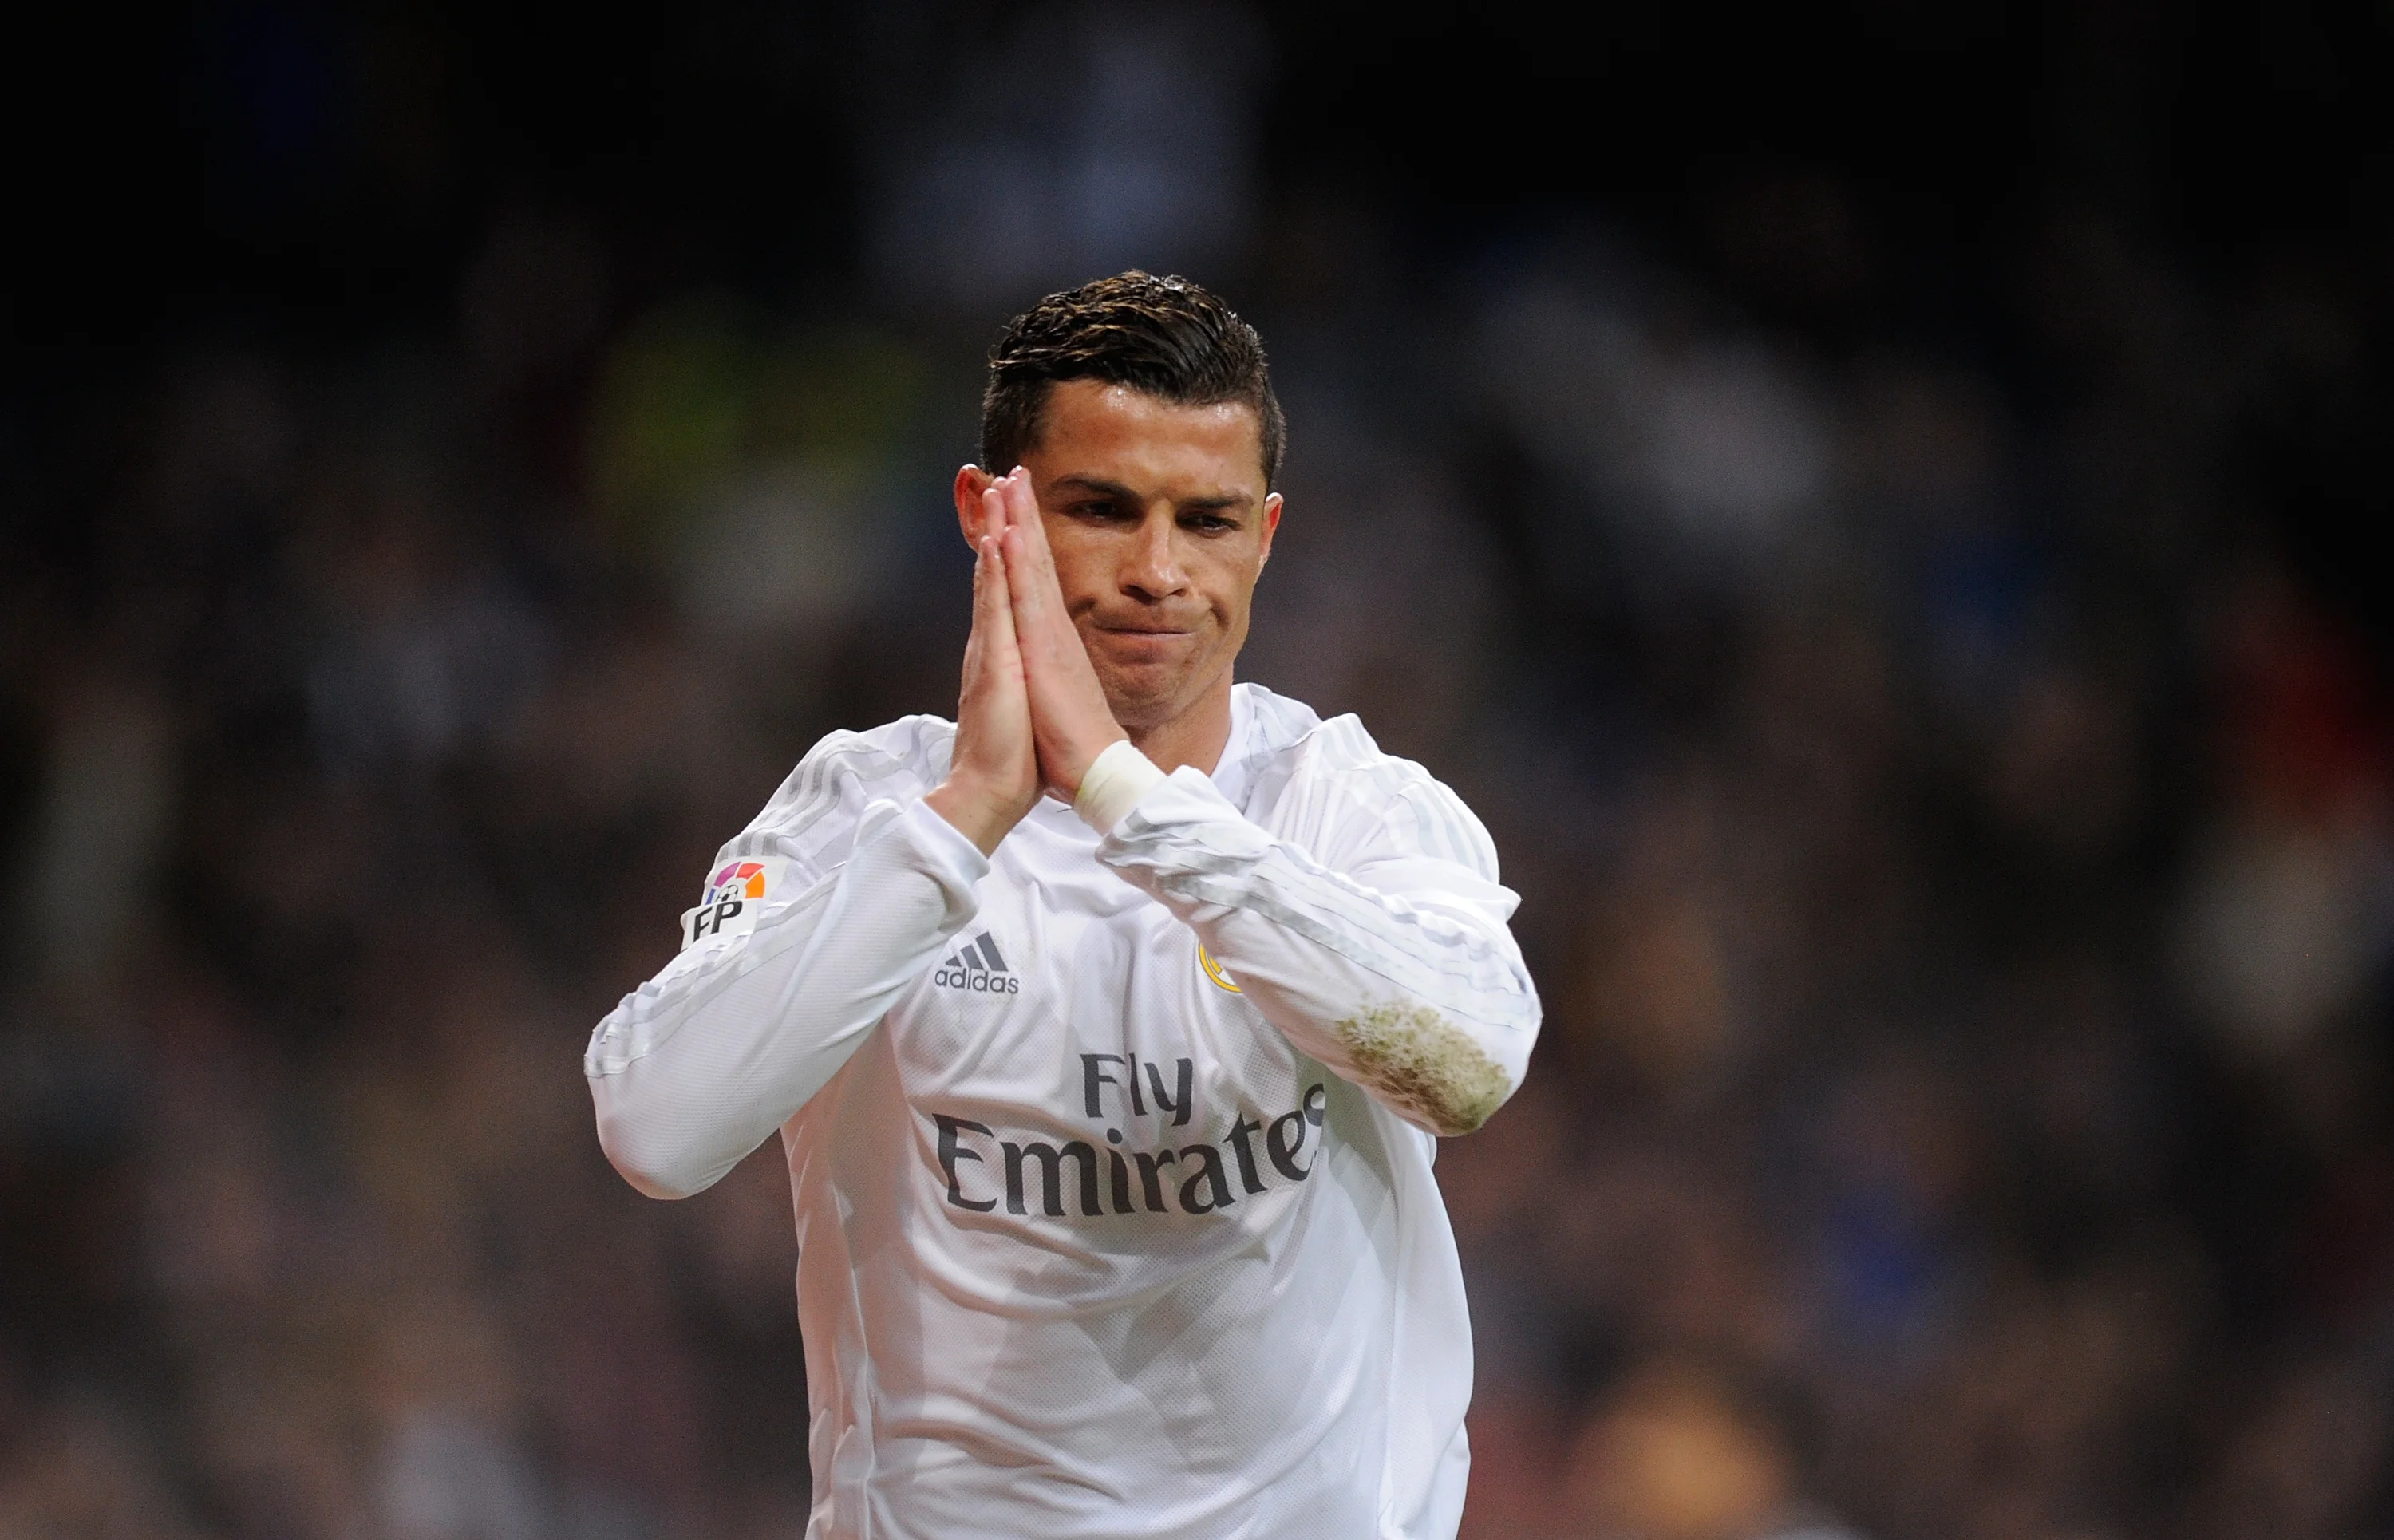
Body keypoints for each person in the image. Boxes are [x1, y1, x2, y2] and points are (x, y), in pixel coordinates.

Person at [583, 271, 1541, 1539]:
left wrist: (1123, 798)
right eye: (1103, 509)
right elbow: (655, 1125)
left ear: (1264, 535)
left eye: (1207, 520)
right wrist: (966, 820)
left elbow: (1472, 1066)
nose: (1160, 571)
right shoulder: (865, 811)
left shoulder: (1354, 810)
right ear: (991, 513)